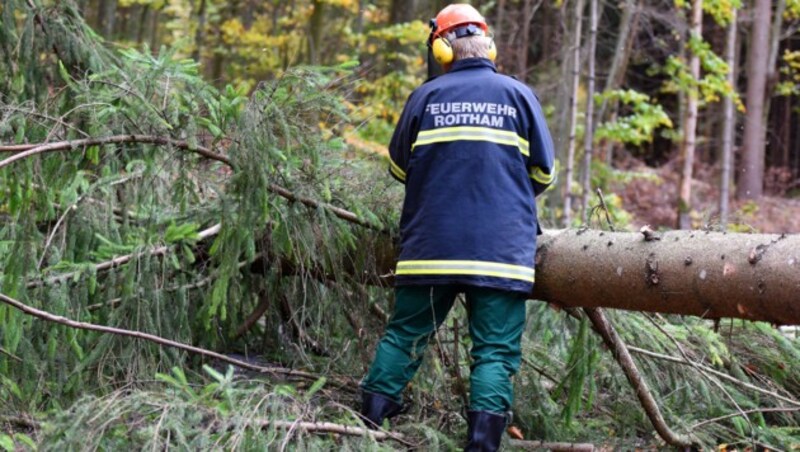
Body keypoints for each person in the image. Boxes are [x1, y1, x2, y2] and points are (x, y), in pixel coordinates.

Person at [359, 4, 555, 451]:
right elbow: (543, 174)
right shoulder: (519, 96)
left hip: (431, 245)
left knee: (406, 333)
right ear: (489, 44)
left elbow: (398, 168)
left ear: (442, 49)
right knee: (494, 350)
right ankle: (482, 442)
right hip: (501, 251)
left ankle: (368, 424)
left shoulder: (424, 98)